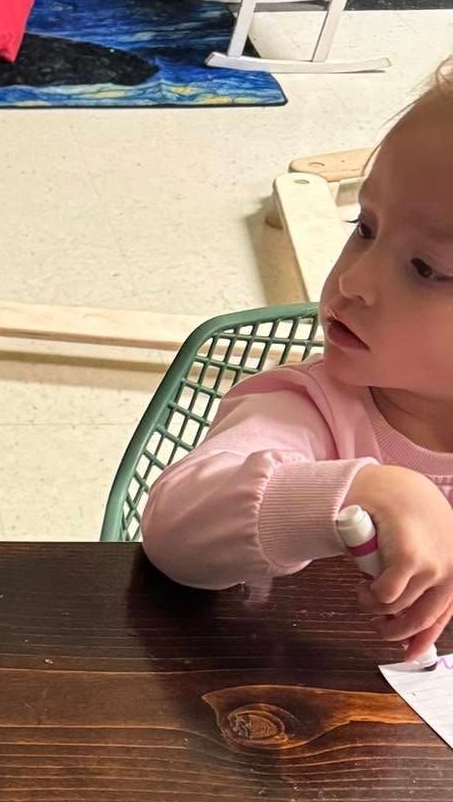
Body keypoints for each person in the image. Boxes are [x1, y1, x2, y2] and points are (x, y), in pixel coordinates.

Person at [142, 65, 453, 665]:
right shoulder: (307, 406)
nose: (352, 281)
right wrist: (358, 490)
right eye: (364, 228)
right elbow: (174, 528)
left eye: (424, 268)